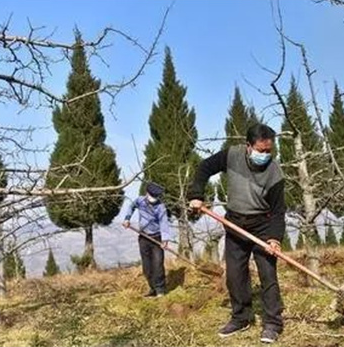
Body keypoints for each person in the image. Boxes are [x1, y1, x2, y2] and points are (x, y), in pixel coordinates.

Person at [187, 124, 286, 344]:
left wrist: (274, 238)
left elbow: (279, 211)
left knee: (268, 274)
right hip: (234, 223)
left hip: (262, 224)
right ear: (248, 146)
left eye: (270, 151)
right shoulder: (232, 155)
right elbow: (204, 168)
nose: (266, 155)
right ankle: (241, 317)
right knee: (235, 275)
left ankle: (273, 322)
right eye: (261, 150)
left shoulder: (275, 172)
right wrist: (196, 194)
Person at [123, 182, 170, 298]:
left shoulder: (160, 207)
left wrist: (165, 240)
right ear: (147, 193)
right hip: (143, 237)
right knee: (147, 267)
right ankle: (152, 288)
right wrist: (127, 219)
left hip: (157, 238)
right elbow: (131, 207)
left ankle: (160, 291)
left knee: (158, 264)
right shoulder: (140, 200)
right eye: (151, 196)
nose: (153, 199)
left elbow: (164, 223)